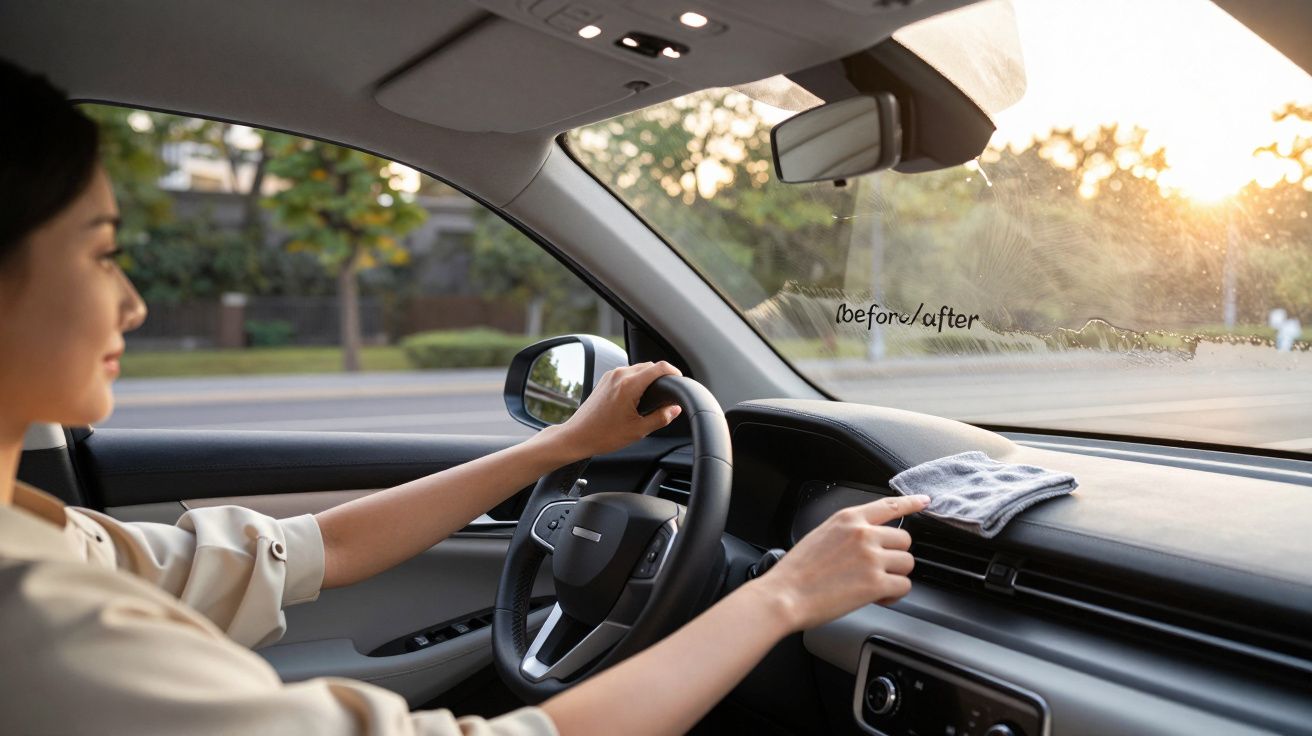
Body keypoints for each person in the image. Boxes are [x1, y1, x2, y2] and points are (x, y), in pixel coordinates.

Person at [0, 57, 931, 735]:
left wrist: (561, 447)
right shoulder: (42, 625)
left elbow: (311, 547)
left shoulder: (43, 543)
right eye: (102, 251)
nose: (134, 300)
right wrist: (780, 595)